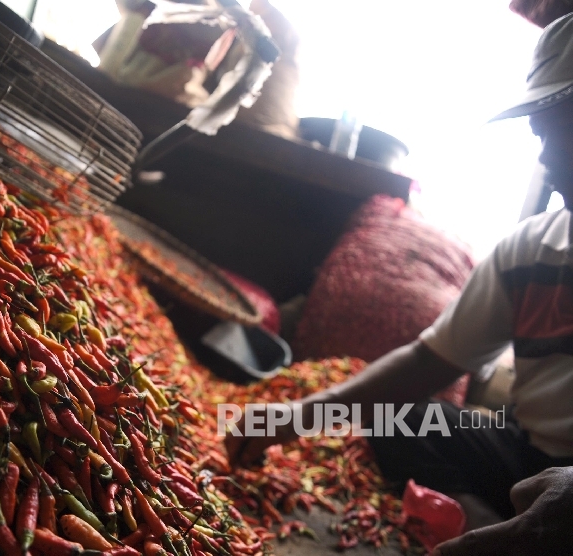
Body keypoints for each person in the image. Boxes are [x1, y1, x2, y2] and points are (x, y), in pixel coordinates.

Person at [225, 12, 573, 556]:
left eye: (567, 130)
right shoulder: (532, 248)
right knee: (403, 419)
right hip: (524, 453)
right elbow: (429, 360)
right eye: (542, 135)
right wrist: (303, 413)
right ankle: (497, 529)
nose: (550, 158)